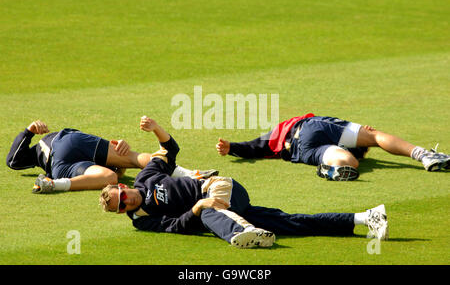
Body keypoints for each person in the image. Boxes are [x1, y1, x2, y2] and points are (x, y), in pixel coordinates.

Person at [99, 116, 389, 249]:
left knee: (212, 210)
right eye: (119, 208)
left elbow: (169, 152)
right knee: (294, 223)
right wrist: (198, 209)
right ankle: (366, 218)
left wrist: (156, 129)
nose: (126, 203)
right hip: (218, 209)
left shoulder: (145, 177)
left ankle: (247, 233)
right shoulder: (141, 219)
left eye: (121, 198)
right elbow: (177, 226)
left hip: (218, 188)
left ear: (123, 188)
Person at [216, 114, 450, 181]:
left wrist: (232, 147)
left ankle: (333, 168)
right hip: (312, 129)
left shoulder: (278, 133)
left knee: (350, 163)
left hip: (300, 149)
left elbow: (254, 146)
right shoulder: (310, 124)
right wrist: (368, 135)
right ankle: (423, 155)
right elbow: (373, 137)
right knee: (375, 135)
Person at [6, 120, 217, 193]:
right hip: (69, 141)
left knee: (110, 178)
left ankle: (54, 184)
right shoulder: (39, 149)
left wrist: (29, 131)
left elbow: (13, 161)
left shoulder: (36, 154)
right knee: (132, 158)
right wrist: (29, 131)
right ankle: (190, 174)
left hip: (62, 163)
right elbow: (13, 160)